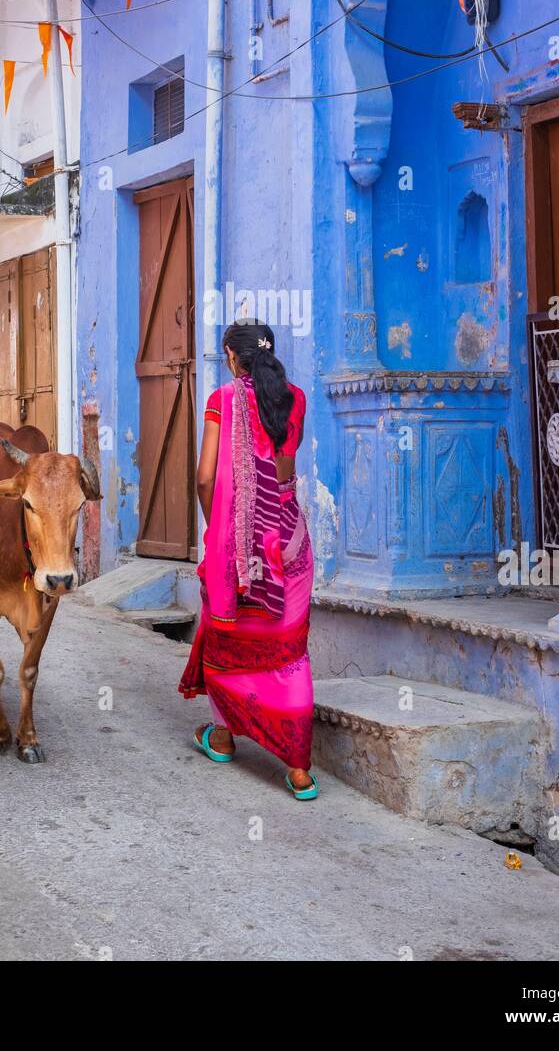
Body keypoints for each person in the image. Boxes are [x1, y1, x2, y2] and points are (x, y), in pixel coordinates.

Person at [179, 320, 318, 799]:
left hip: (239, 548)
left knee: (227, 639)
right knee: (288, 652)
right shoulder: (295, 398)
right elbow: (287, 464)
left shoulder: (223, 400)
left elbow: (204, 477)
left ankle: (221, 736)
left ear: (232, 357)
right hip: (289, 540)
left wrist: (217, 526)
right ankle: (299, 771)